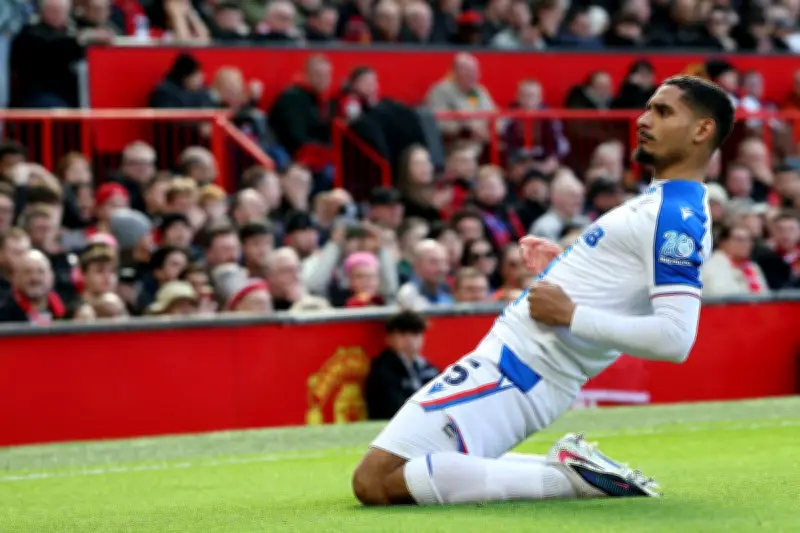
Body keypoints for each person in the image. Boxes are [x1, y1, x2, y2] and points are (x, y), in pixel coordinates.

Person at [352, 76, 735, 506]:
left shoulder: (676, 215)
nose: (644, 120)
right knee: (399, 472)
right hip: (517, 366)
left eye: (664, 112)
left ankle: (571, 479)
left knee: (376, 481)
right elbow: (621, 282)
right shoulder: (661, 202)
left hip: (518, 371)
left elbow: (675, 338)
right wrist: (565, 266)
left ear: (702, 130)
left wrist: (571, 314)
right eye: (648, 108)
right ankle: (577, 471)